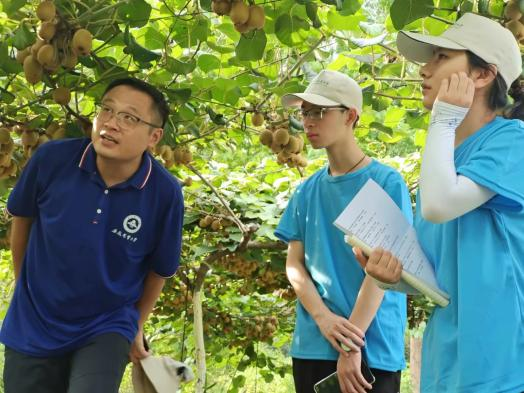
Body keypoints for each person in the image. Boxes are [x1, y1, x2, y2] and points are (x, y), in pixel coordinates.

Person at [355, 13, 524, 393]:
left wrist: (444, 118)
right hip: (445, 364)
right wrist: (395, 277)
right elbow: (438, 275)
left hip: (503, 362)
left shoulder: (514, 141)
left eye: (441, 57)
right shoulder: (442, 163)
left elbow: (438, 206)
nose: (424, 70)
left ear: (482, 76)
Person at [1, 78, 184, 393]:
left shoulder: (164, 193)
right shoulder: (52, 160)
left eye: (129, 118)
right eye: (107, 110)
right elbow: (23, 219)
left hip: (106, 324)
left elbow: (160, 269)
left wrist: (136, 326)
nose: (112, 123)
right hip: (33, 321)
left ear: (154, 136)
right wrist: (23, 286)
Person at [275, 70, 412, 393]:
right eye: (305, 112)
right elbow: (295, 265)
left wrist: (352, 344)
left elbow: (382, 271)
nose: (308, 121)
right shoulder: (306, 190)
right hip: (314, 343)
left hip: (372, 347)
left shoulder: (386, 183)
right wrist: (323, 318)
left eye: (319, 112)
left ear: (351, 115)